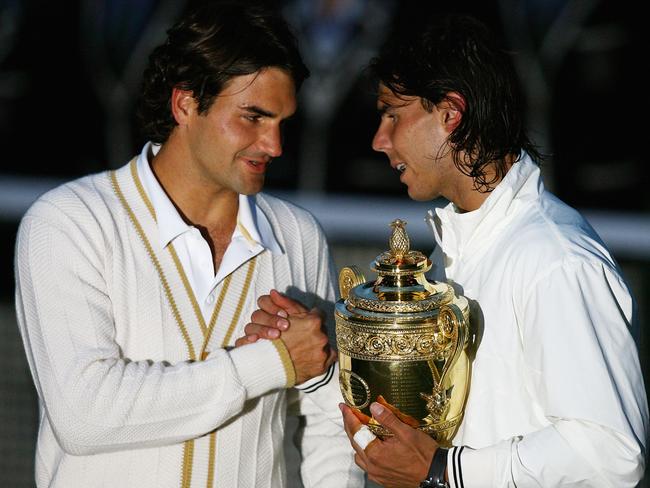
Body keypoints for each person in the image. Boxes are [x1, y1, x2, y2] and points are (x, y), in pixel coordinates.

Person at [249, 12, 649, 488]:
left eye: (393, 114)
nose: (379, 140)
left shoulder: (554, 259)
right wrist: (317, 361)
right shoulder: (457, 252)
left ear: (450, 113)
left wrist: (442, 470)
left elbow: (611, 453)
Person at [13, 2, 363, 487]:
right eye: (253, 117)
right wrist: (269, 363)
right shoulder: (69, 221)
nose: (274, 145)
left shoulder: (297, 235)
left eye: (282, 122)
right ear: (184, 104)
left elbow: (329, 413)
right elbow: (84, 414)